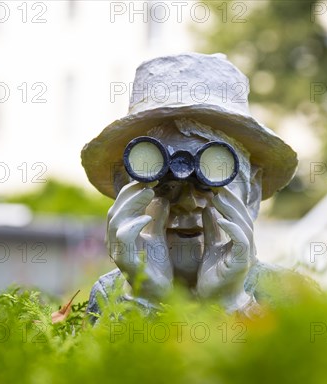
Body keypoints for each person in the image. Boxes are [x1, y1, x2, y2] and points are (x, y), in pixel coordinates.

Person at [81, 53, 299, 318]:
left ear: (251, 194)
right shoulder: (109, 295)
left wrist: (232, 302)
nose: (187, 202)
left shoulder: (287, 293)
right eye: (162, 184)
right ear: (123, 191)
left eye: (209, 183)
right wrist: (144, 296)